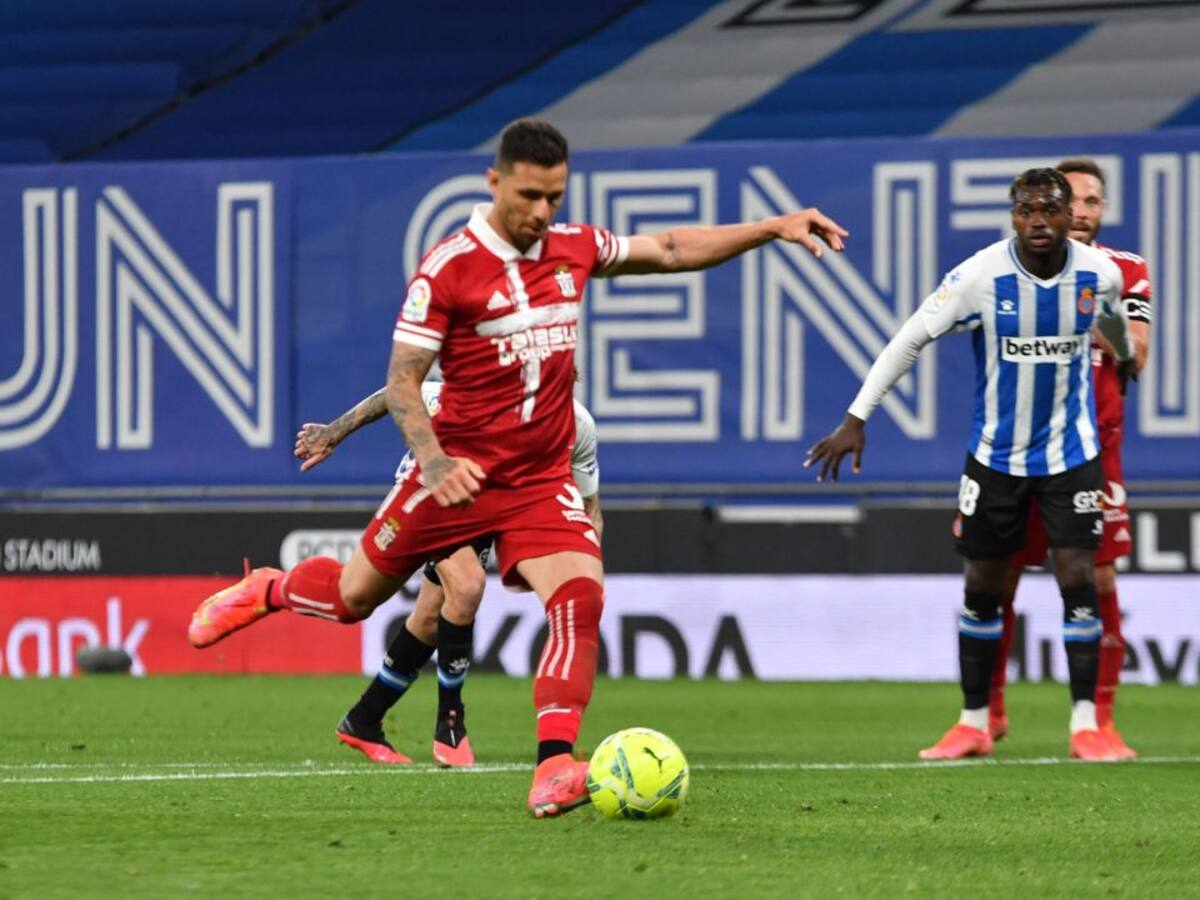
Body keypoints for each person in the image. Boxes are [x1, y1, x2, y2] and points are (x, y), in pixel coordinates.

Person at [189, 117, 848, 816]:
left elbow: (673, 247)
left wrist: (771, 227)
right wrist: (435, 461)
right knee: (354, 600)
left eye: (554, 198)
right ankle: (269, 589)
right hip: (453, 477)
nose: (541, 213)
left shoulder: (574, 248)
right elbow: (404, 381)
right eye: (529, 195)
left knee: (580, 597)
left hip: (538, 480)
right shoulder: (448, 268)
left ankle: (554, 764)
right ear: (494, 182)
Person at [805, 167, 1135, 763]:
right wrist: (856, 418)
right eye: (1027, 211)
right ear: (1014, 216)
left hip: (1072, 455)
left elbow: (1108, 314)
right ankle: (975, 721)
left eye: (1050, 210)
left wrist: (1127, 354)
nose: (1039, 222)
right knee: (982, 587)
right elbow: (909, 339)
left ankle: (1087, 725)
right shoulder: (979, 277)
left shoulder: (1097, 272)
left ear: (1067, 217)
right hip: (995, 459)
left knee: (1078, 581)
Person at [291, 379, 603, 767]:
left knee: (427, 619)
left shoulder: (578, 426)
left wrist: (581, 562)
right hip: (432, 493)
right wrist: (333, 432)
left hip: (489, 508)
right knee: (468, 586)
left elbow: (588, 507)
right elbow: (397, 393)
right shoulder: (482, 399)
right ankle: (451, 722)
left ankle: (363, 718)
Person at [989, 158, 1152, 759]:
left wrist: (1078, 304)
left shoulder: (1122, 271)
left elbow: (1137, 352)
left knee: (1096, 577)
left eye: (1093, 202)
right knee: (994, 573)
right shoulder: (1004, 269)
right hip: (1015, 446)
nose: (1082, 211)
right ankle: (989, 714)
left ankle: (1097, 721)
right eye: (1072, 200)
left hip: (1091, 450)